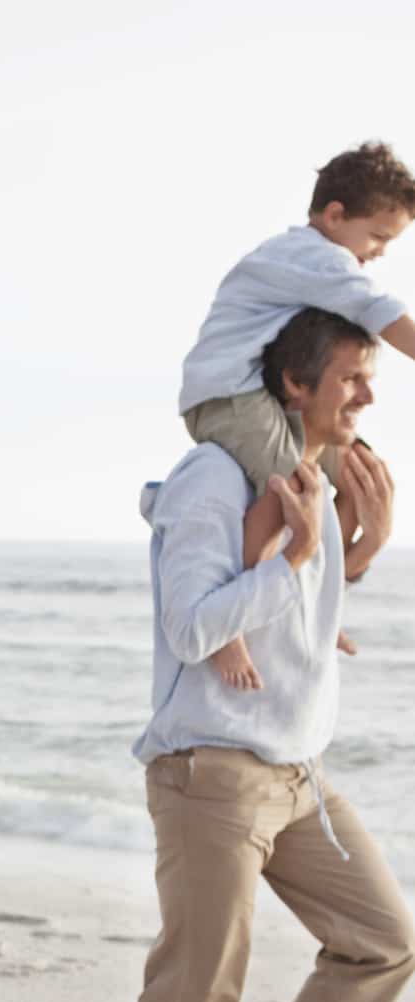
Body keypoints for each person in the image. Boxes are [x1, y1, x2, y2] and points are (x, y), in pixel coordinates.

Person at [123, 307, 414, 1002]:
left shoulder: (312, 478)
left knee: (385, 938)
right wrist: (296, 555)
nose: (367, 393)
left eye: (371, 375)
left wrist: (360, 548)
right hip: (212, 768)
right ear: (294, 384)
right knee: (200, 979)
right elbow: (193, 625)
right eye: (350, 377)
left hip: (297, 775)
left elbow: (301, 611)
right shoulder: (210, 479)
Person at [179, 141, 415, 691]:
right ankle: (229, 629)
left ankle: (317, 601)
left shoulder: (324, 262)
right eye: (378, 237)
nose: (379, 251)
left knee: (357, 481)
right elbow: (386, 317)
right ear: (334, 215)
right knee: (290, 490)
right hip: (228, 396)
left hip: (272, 400)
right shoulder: (313, 256)